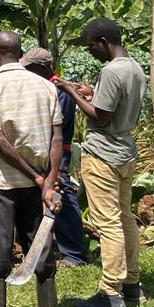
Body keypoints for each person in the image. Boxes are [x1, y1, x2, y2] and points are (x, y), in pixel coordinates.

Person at [0, 32, 63, 307]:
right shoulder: (45, 86)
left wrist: (38, 178)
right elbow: (57, 138)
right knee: (41, 247)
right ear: (19, 52)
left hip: (3, 181)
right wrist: (47, 181)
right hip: (38, 183)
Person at [58, 18, 146, 307]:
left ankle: (110, 292)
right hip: (125, 152)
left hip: (103, 154)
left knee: (108, 223)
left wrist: (70, 92)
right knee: (125, 217)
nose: (91, 51)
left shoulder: (110, 71)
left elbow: (101, 117)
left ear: (104, 41)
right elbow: (112, 105)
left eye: (91, 45)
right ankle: (132, 284)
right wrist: (89, 92)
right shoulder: (134, 67)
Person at [21, 48, 91, 268]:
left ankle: (74, 253)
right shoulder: (51, 86)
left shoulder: (59, 89)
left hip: (57, 151)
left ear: (42, 68)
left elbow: (54, 128)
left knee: (62, 194)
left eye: (30, 68)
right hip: (48, 150)